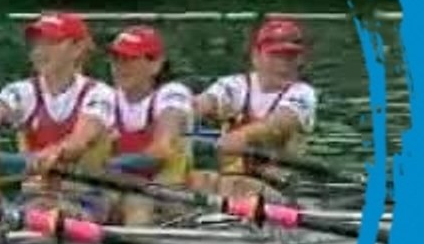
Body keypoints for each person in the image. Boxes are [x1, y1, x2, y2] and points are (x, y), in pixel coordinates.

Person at [0, 11, 116, 220]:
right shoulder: (20, 91)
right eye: (36, 44)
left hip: (87, 198)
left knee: (44, 210)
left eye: (51, 43)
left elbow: (80, 140)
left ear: (77, 49)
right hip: (32, 196)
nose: (40, 51)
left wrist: (56, 152)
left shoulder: (99, 94)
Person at [193, 16, 319, 199]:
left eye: (291, 56)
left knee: (237, 187)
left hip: (277, 187)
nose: (284, 64)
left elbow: (279, 124)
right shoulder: (233, 86)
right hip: (229, 181)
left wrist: (242, 136)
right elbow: (200, 105)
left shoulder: (302, 94)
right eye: (275, 55)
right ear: (256, 56)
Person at [105, 26, 196, 226]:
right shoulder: (104, 98)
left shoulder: (173, 94)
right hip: (120, 189)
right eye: (116, 59)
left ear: (156, 64)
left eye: (130, 59)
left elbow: (162, 149)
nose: (120, 67)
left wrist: (109, 166)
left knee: (137, 203)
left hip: (171, 192)